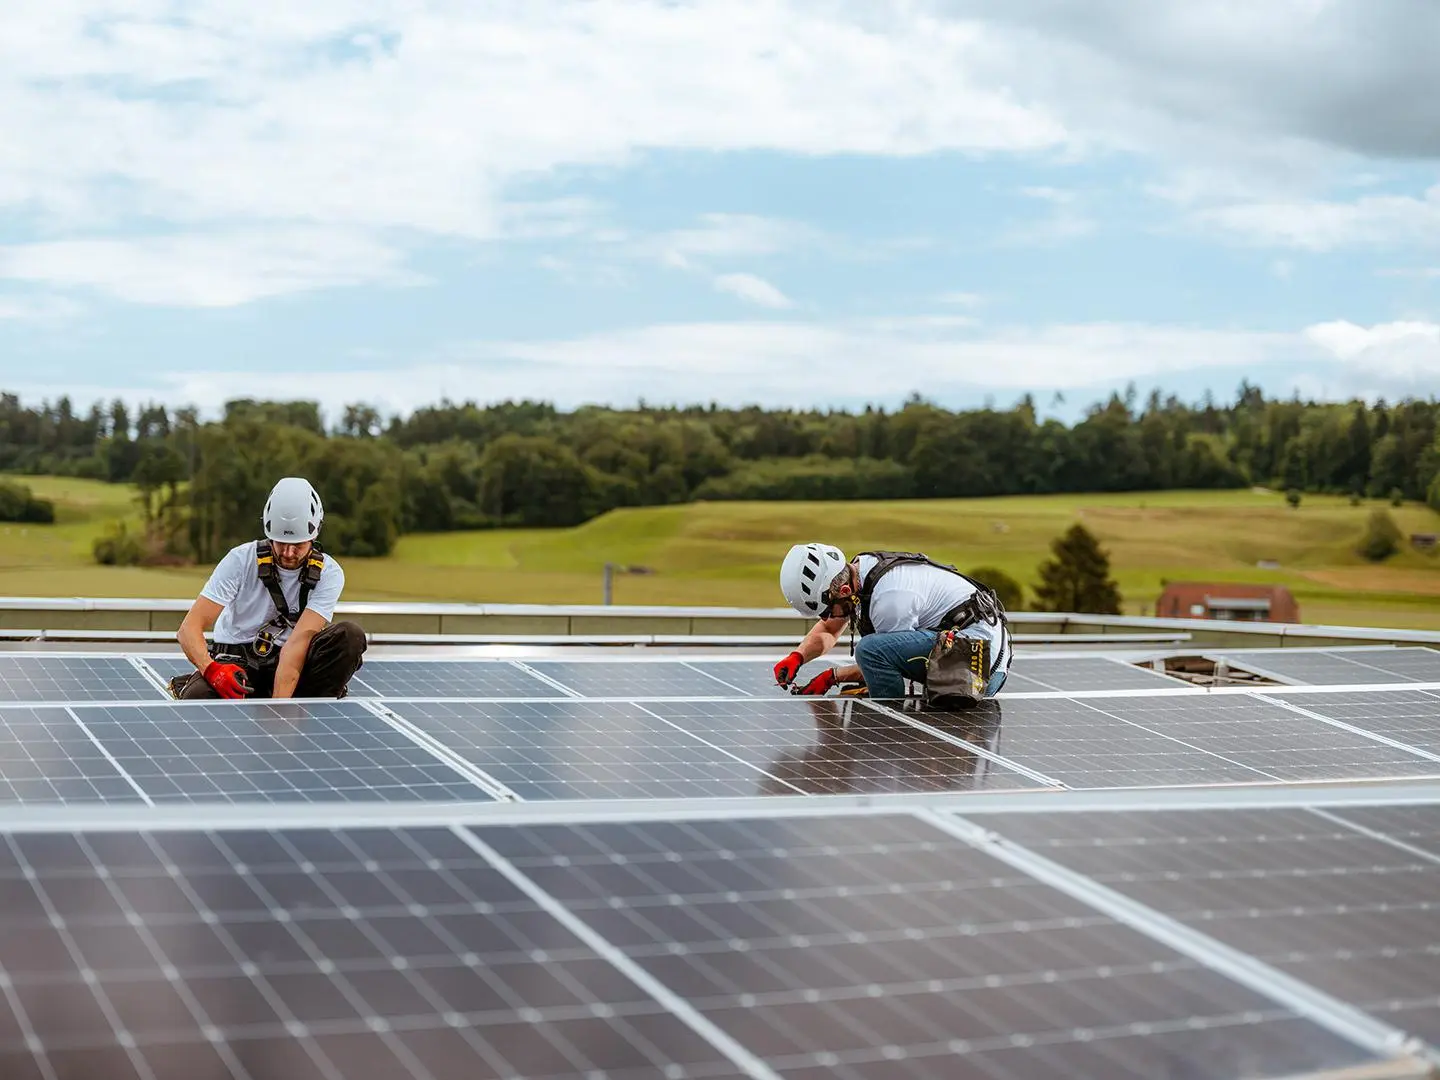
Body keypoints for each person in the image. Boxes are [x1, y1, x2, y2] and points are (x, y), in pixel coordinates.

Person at [170, 476, 366, 700]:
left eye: (298, 545)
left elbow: (297, 644)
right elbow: (188, 628)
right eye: (280, 543)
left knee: (350, 636)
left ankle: (308, 708)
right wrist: (212, 671)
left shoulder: (329, 573)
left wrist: (279, 713)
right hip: (237, 664)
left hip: (294, 666)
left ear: (315, 534)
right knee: (198, 699)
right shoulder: (240, 560)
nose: (288, 553)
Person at [772, 543, 1010, 702]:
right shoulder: (859, 571)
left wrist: (833, 676)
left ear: (844, 589)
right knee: (875, 653)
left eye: (825, 610)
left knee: (870, 651)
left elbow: (884, 661)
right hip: (971, 652)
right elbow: (829, 628)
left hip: (980, 668)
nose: (824, 618)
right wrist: (798, 657)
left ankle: (888, 717)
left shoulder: (889, 600)